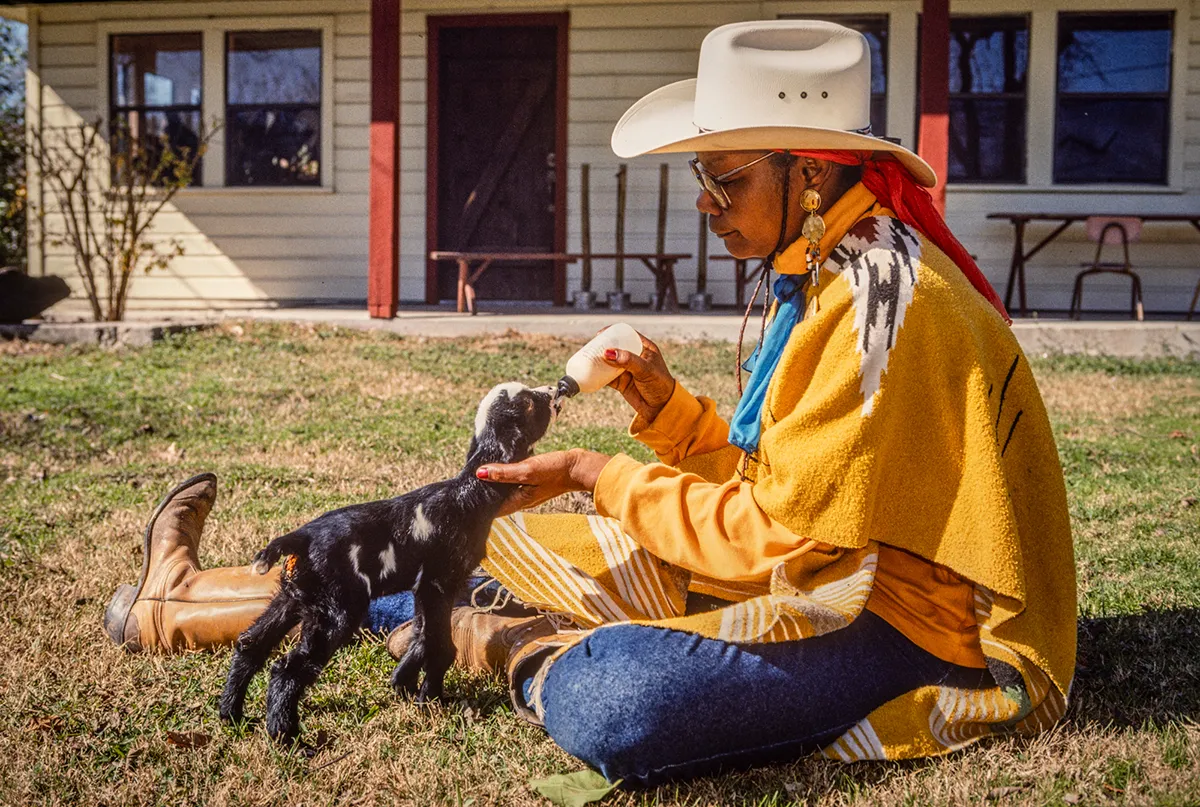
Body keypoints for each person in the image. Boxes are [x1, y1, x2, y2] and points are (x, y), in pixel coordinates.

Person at [104, 20, 1076, 787]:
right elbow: (786, 486)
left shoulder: (877, 307)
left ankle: (494, 638)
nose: (706, 201)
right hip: (826, 569)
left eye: (724, 177)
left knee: (618, 702)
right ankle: (182, 605)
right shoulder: (831, 270)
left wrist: (592, 475)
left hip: (909, 630)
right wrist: (662, 406)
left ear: (811, 171)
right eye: (703, 175)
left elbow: (779, 542)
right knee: (471, 547)